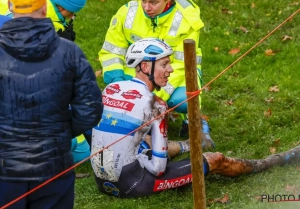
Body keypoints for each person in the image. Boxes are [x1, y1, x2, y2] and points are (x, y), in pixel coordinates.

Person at [91, 38, 300, 198]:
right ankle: (274, 161)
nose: (171, 69)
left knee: (142, 140)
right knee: (215, 159)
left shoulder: (111, 88)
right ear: (146, 67)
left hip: (101, 180)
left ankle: (193, 144)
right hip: (131, 185)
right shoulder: (157, 104)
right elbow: (158, 168)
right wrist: (145, 158)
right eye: (164, 64)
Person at [0, 0, 103, 209]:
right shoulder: (70, 53)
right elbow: (90, 109)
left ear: (9, 5)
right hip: (54, 164)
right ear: (45, 8)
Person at [98, 0, 215, 149]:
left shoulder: (186, 19)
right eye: (143, 0)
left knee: (181, 100)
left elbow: (180, 65)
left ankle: (192, 120)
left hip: (176, 74)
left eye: (153, 2)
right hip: (138, 71)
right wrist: (117, 81)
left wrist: (153, 97)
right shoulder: (127, 13)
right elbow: (111, 51)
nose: (146, 7)